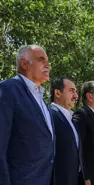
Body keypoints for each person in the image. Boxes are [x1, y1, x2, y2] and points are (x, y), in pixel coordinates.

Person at [0, 45, 55, 185]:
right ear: (24, 64)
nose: (47, 65)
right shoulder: (8, 90)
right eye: (41, 60)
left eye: (47, 61)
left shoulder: (41, 99)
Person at [50, 77, 86, 185]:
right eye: (71, 91)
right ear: (57, 93)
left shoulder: (71, 117)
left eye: (75, 91)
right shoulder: (50, 115)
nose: (76, 96)